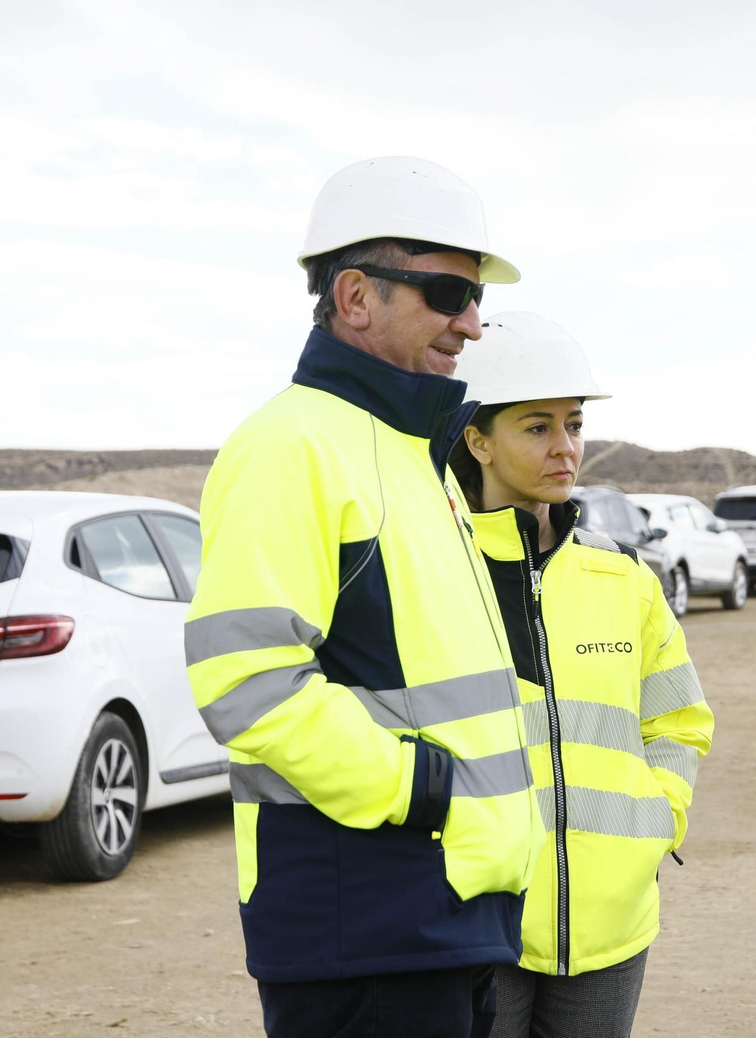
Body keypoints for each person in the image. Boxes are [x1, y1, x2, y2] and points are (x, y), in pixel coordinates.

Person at [184, 157, 543, 1038]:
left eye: (475, 298)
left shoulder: (415, 457)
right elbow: (246, 684)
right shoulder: (291, 446)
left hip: (450, 909)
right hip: (369, 920)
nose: (471, 323)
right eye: (449, 293)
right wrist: (423, 788)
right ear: (354, 296)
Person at [447, 313, 714, 1038]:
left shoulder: (622, 575)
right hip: (481, 922)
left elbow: (680, 721)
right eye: (537, 427)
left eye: (574, 424)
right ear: (477, 440)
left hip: (612, 926)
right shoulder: (435, 573)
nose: (565, 447)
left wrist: (656, 824)